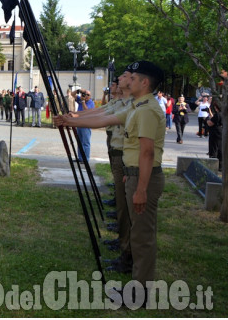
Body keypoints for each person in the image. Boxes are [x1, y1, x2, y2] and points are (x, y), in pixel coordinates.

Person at [55, 60, 165, 301]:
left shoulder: (146, 109)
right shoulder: (138, 106)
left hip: (144, 178)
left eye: (134, 78)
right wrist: (70, 121)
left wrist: (141, 188)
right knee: (138, 233)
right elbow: (104, 119)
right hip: (135, 174)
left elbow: (147, 152)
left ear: (144, 83)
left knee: (142, 237)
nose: (129, 81)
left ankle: (140, 294)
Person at [75, 89, 95, 161]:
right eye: (85, 94)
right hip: (79, 123)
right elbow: (72, 95)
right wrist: (79, 90)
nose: (86, 96)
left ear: (90, 96)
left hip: (86, 124)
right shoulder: (80, 99)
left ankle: (86, 159)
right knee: (79, 142)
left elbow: (87, 111)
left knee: (86, 142)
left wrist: (83, 101)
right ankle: (80, 158)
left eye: (88, 95)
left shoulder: (91, 103)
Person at [207, 100, 223, 170]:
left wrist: (207, 120)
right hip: (222, 133)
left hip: (215, 133)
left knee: (214, 149)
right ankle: (221, 166)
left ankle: (213, 165)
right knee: (220, 149)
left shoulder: (218, 114)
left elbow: (210, 123)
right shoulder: (225, 114)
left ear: (216, 107)